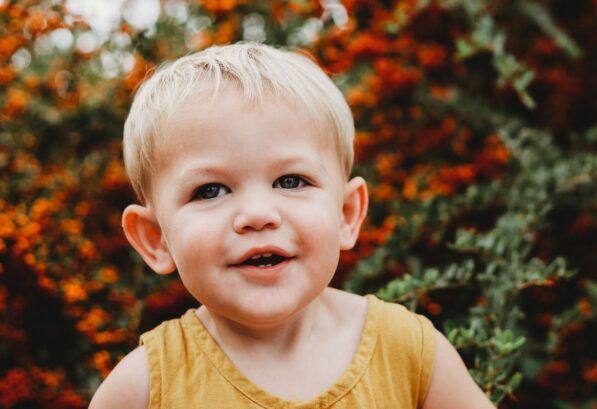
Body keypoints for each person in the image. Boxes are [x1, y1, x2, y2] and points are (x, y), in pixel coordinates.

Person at [89, 42, 495, 409]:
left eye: (291, 181)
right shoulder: (143, 388)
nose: (257, 215)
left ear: (346, 214)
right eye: (210, 190)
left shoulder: (409, 353)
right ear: (155, 238)